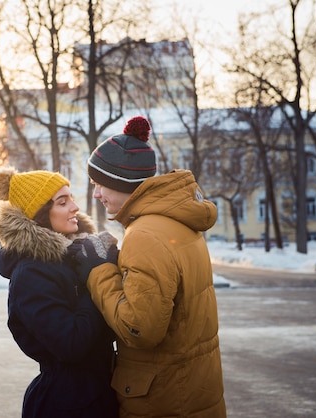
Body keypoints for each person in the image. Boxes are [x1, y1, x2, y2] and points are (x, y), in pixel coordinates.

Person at [73, 116, 227, 417]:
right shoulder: (177, 223)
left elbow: (140, 328)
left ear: (121, 182)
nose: (95, 194)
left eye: (99, 184)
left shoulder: (144, 235)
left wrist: (99, 270)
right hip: (192, 390)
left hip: (163, 400)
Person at [0, 166, 119, 418]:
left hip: (99, 394)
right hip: (67, 405)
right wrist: (96, 277)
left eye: (71, 198)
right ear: (41, 214)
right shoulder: (31, 274)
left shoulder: (72, 258)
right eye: (62, 201)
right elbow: (70, 345)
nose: (75, 207)